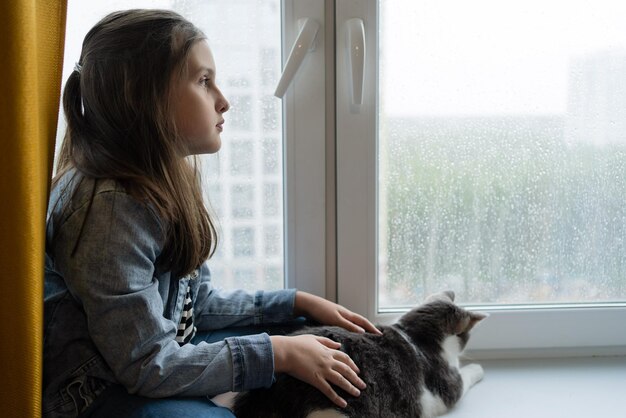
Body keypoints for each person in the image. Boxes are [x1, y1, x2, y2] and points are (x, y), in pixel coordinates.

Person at [43, 9, 381, 418]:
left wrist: (295, 303)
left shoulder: (161, 180)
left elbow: (194, 307)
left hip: (150, 358)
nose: (223, 100)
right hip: (99, 391)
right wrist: (278, 353)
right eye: (204, 81)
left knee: (301, 337)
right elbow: (146, 365)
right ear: (141, 96)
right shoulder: (110, 208)